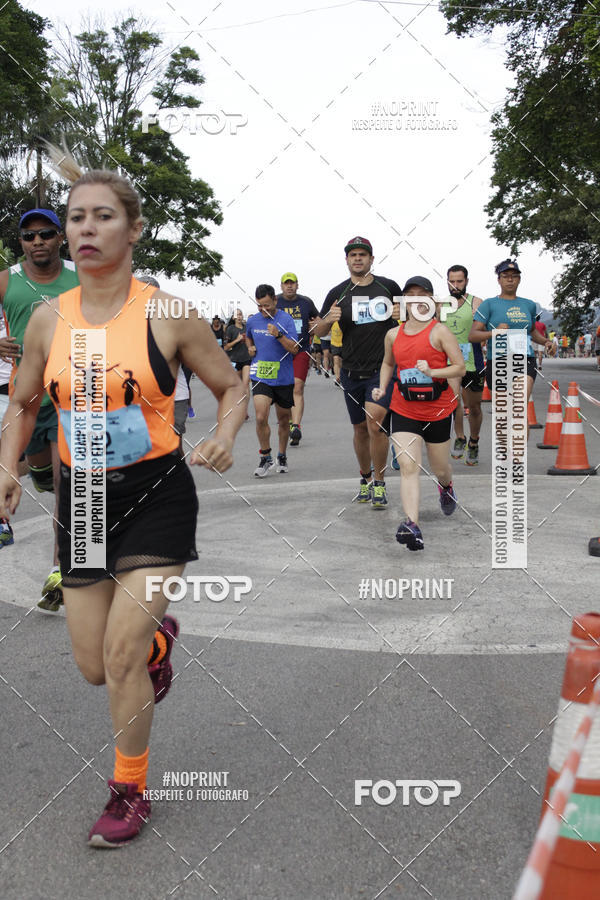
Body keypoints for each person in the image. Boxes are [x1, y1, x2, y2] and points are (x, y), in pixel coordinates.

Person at [0, 153, 247, 847]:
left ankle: (128, 788)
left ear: (132, 230)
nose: (85, 229)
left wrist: (227, 433)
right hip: (81, 501)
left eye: (103, 216)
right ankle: (158, 648)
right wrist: (7, 468)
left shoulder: (167, 313)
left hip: (157, 492)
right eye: (77, 217)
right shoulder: (47, 321)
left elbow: (232, 388)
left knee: (118, 659)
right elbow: (20, 405)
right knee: (91, 665)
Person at [0, 208, 79, 609]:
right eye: (29, 236)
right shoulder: (6, 281)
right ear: (21, 243)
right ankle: (41, 475)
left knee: (69, 488)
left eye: (46, 234)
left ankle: (60, 571)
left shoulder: (81, 275)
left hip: (74, 396)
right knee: (37, 472)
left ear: (59, 237)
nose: (38, 242)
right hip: (27, 399)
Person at [373, 276, 465, 550]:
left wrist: (433, 372)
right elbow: (388, 363)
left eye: (422, 294)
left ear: (431, 301)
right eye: (410, 294)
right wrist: (382, 388)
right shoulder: (393, 334)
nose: (416, 299)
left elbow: (459, 367)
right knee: (409, 466)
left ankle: (446, 487)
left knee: (440, 468)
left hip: (437, 410)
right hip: (404, 408)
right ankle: (412, 525)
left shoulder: (440, 332)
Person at [315, 236, 401, 508]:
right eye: (353, 255)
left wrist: (402, 313)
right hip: (351, 371)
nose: (358, 259)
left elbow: (411, 320)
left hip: (382, 368)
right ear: (347, 260)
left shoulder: (387, 287)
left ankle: (380, 482)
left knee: (375, 423)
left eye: (363, 254)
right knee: (360, 429)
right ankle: (364, 478)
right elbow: (317, 332)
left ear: (372, 259)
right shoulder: (337, 292)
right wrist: (328, 320)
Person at [469, 260, 555, 439]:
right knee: (504, 413)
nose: (510, 280)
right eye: (505, 277)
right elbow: (473, 335)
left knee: (518, 405)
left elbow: (531, 331)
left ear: (519, 280)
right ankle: (507, 453)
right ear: (498, 280)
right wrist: (494, 332)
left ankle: (518, 458)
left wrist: (546, 341)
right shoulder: (489, 304)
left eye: (514, 277)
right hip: (498, 361)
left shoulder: (529, 305)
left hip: (523, 359)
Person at [245, 284, 298, 476]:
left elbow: (294, 349)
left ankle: (281, 454)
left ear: (275, 300)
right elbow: (248, 338)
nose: (263, 310)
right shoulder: (253, 321)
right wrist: (250, 347)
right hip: (261, 375)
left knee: (283, 420)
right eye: (260, 306)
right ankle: (265, 456)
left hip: (283, 377)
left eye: (267, 305)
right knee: (260, 416)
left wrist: (279, 335)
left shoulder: (286, 320)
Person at [442, 265, 484, 466]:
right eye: (452, 281)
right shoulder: (441, 305)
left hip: (473, 361)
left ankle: (474, 441)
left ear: (466, 281)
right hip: (450, 361)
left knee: (474, 407)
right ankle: (460, 436)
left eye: (459, 281)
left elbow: (483, 330)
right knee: (453, 400)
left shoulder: (477, 303)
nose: (455, 285)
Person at [276, 272, 321, 446]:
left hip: (300, 350)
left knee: (297, 386)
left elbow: (318, 321)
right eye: (286, 283)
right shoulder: (276, 302)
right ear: (281, 286)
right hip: (278, 352)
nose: (289, 286)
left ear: (297, 285)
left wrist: (315, 326)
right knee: (281, 390)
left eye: (292, 283)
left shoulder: (306, 302)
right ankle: (287, 420)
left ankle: (296, 426)